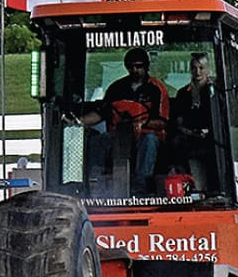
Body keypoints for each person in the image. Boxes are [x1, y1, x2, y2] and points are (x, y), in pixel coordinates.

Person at [78, 47, 171, 196]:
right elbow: (101, 113)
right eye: (131, 66)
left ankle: (140, 188)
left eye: (139, 66)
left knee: (150, 140)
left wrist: (142, 124)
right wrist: (79, 122)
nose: (135, 70)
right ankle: (95, 185)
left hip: (145, 135)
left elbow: (163, 121)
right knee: (98, 141)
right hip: (117, 136)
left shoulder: (157, 89)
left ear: (146, 66)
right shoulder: (116, 88)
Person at [166, 52, 217, 193]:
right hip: (189, 136)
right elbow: (178, 122)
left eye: (201, 68)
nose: (197, 72)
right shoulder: (183, 94)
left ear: (208, 69)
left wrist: (208, 131)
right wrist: (191, 132)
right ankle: (188, 185)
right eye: (194, 68)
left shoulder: (215, 92)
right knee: (177, 143)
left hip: (212, 135)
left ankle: (214, 188)